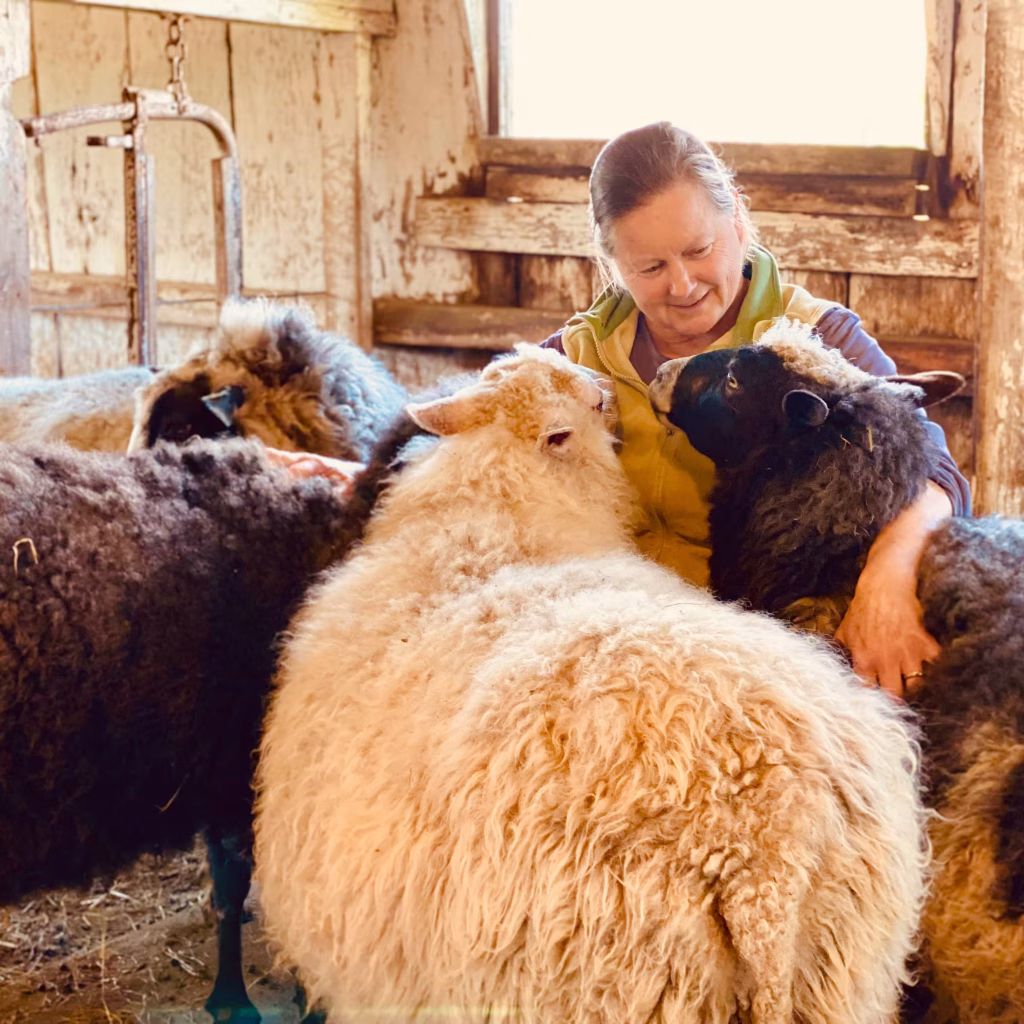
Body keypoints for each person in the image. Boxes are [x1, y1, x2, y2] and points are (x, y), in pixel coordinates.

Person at [541, 121, 971, 698]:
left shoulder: (811, 344)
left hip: (759, 644)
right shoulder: (570, 358)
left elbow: (931, 470)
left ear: (737, 218)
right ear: (612, 261)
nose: (684, 285)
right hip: (600, 641)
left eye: (700, 250)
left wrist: (887, 582)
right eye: (650, 268)